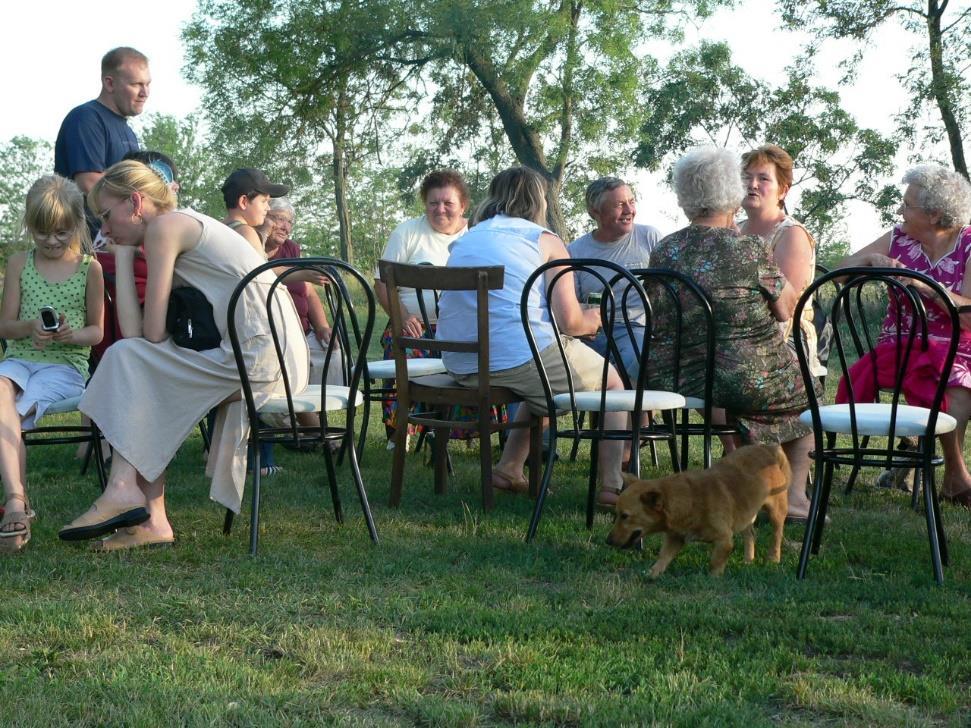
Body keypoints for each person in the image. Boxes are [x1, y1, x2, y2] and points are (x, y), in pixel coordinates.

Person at [57, 160, 308, 550]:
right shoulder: (173, 227)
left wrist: (124, 256)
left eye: (106, 216)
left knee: (132, 362)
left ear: (136, 203)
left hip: (261, 357)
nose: (103, 230)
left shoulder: (165, 228)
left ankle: (129, 494)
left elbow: (151, 334)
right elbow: (138, 335)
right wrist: (124, 256)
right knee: (130, 359)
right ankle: (144, 511)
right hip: (258, 350)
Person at [436, 166, 627, 506]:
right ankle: (612, 488)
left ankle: (509, 468)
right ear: (539, 201)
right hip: (515, 359)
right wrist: (593, 318)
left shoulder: (468, 238)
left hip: (461, 362)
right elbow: (569, 322)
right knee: (613, 383)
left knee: (536, 371)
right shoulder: (544, 240)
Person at [647, 147, 814, 520]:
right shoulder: (749, 248)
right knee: (808, 400)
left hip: (675, 376)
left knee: (732, 391)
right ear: (732, 192)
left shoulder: (664, 249)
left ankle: (745, 479)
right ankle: (796, 498)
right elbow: (786, 308)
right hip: (742, 375)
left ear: (685, 196)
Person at [838, 163, 971, 508]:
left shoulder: (969, 244)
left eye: (907, 204)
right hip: (899, 348)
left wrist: (927, 288)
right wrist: (868, 259)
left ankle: (931, 462)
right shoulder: (898, 238)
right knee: (944, 377)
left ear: (934, 213)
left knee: (952, 378)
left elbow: (970, 318)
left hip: (960, 347)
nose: (900, 210)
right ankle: (954, 476)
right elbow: (838, 274)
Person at [0, 176, 104, 553]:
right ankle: (17, 499)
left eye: (61, 232)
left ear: (77, 224)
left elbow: (96, 333)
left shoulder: (89, 269)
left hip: (66, 368)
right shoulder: (18, 263)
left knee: (10, 410)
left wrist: (68, 335)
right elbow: (5, 325)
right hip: (19, 361)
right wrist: (30, 327)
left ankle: (16, 505)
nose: (51, 241)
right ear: (30, 225)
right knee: (1, 390)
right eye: (42, 232)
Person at [373, 170, 500, 448]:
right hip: (414, 325)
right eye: (433, 203)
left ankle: (451, 428)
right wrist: (403, 317)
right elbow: (381, 283)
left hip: (462, 330)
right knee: (405, 349)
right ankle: (401, 429)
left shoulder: (477, 235)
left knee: (482, 356)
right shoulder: (406, 232)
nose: (440, 209)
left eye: (448, 203)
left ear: (463, 206)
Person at [740, 144, 824, 377]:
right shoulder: (732, 230)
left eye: (763, 178)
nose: (752, 184)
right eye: (746, 177)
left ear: (783, 191)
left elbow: (783, 309)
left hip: (786, 340)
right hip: (736, 334)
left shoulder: (792, 233)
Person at [568, 176, 661, 379]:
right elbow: (571, 304)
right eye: (620, 204)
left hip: (637, 327)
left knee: (634, 361)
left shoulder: (649, 238)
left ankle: (621, 406)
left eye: (632, 201)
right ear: (595, 211)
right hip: (592, 332)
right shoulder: (575, 251)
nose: (629, 210)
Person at [54, 47, 150, 237]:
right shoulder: (86, 118)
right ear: (109, 83)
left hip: (116, 242)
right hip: (83, 244)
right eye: (136, 84)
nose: (144, 92)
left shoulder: (128, 132)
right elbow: (89, 183)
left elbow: (130, 183)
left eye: (147, 84)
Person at [221, 168, 289, 257]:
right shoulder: (246, 232)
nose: (268, 208)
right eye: (264, 201)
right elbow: (262, 270)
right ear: (243, 202)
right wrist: (264, 234)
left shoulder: (219, 228)